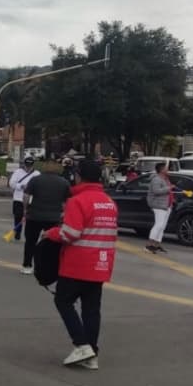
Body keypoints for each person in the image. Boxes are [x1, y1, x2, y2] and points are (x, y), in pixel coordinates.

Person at [44, 159, 118, 370]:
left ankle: (81, 344)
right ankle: (92, 355)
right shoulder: (109, 202)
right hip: (101, 264)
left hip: (78, 264)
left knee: (63, 301)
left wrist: (50, 233)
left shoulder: (78, 201)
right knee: (91, 309)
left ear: (78, 177)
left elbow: (70, 233)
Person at [19, 170, 71, 274]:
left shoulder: (35, 180)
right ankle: (50, 267)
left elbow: (26, 196)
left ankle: (27, 265)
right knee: (52, 243)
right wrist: (64, 213)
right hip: (54, 217)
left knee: (30, 242)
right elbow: (67, 201)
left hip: (34, 215)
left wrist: (25, 210)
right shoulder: (64, 182)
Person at [9, 156, 40, 240]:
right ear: (24, 165)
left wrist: (31, 188)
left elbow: (39, 186)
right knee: (18, 217)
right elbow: (12, 183)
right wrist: (21, 186)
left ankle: (28, 235)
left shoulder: (37, 174)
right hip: (18, 198)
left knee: (30, 219)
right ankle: (17, 232)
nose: (28, 168)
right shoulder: (18, 172)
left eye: (30, 166)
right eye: (26, 166)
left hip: (31, 200)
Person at [146, 162, 173, 253]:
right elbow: (156, 191)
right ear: (161, 170)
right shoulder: (156, 179)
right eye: (166, 168)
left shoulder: (165, 179)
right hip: (159, 205)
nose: (167, 170)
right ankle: (149, 245)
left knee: (162, 226)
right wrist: (169, 188)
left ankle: (156, 244)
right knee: (158, 225)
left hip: (166, 205)